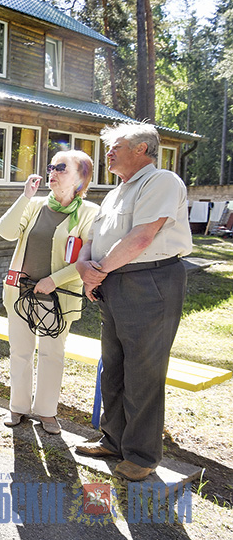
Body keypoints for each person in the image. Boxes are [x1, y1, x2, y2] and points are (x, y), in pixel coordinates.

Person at [73, 122, 192, 481]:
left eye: (116, 146)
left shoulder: (162, 182)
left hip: (150, 281)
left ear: (142, 149)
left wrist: (99, 271)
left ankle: (141, 455)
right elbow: (93, 238)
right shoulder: (115, 192)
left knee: (143, 372)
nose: (107, 153)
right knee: (113, 368)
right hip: (115, 280)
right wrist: (86, 265)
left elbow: (142, 237)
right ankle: (114, 439)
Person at [0, 150, 99, 435]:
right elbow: (4, 230)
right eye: (51, 166)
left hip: (58, 297)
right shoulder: (36, 205)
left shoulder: (90, 213)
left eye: (62, 168)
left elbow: (88, 258)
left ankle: (47, 412)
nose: (53, 171)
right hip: (20, 294)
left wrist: (55, 280)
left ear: (81, 178)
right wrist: (25, 196)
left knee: (52, 354)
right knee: (20, 352)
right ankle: (18, 407)